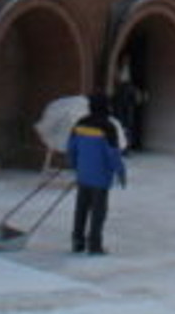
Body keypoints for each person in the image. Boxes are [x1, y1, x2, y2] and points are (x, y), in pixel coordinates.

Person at [67, 93, 127, 256]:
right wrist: (120, 172)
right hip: (100, 177)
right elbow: (113, 154)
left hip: (83, 174)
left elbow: (71, 146)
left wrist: (73, 163)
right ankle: (94, 245)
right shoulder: (108, 127)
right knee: (98, 212)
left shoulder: (80, 123)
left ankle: (77, 241)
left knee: (81, 209)